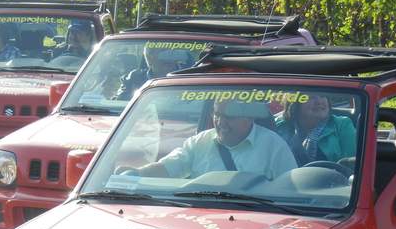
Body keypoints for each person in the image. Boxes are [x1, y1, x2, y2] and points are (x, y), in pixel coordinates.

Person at [126, 99, 297, 179]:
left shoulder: (273, 146)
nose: (221, 122)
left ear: (249, 117)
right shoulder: (200, 142)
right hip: (202, 218)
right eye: (217, 114)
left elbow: (290, 191)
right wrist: (134, 174)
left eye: (229, 116)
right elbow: (167, 168)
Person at [275, 94, 356, 165]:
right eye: (311, 97)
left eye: (322, 96)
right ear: (295, 103)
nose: (319, 101)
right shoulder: (278, 126)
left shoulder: (342, 125)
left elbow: (351, 166)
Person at [115, 43, 196, 100]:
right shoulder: (134, 78)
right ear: (150, 58)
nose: (168, 57)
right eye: (163, 52)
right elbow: (119, 101)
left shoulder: (188, 75)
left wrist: (188, 57)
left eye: (171, 52)